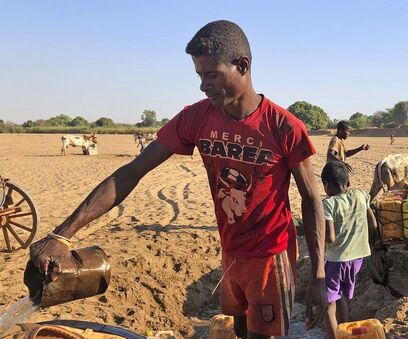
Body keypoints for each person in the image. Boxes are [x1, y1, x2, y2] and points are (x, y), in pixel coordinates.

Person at [28, 20, 328, 339]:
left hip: (270, 256)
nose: (202, 85)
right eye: (199, 75)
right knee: (239, 327)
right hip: (230, 250)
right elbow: (132, 171)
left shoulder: (283, 127)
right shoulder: (196, 118)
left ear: (242, 66)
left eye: (210, 74)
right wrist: (61, 236)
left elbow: (311, 198)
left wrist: (320, 275)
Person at [316, 161, 377, 338]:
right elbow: (372, 223)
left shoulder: (328, 204)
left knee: (327, 303)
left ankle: (335, 336)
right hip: (358, 258)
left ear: (326, 185)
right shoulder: (361, 194)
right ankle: (345, 331)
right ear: (348, 183)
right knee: (340, 294)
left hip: (337, 259)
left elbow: (331, 238)